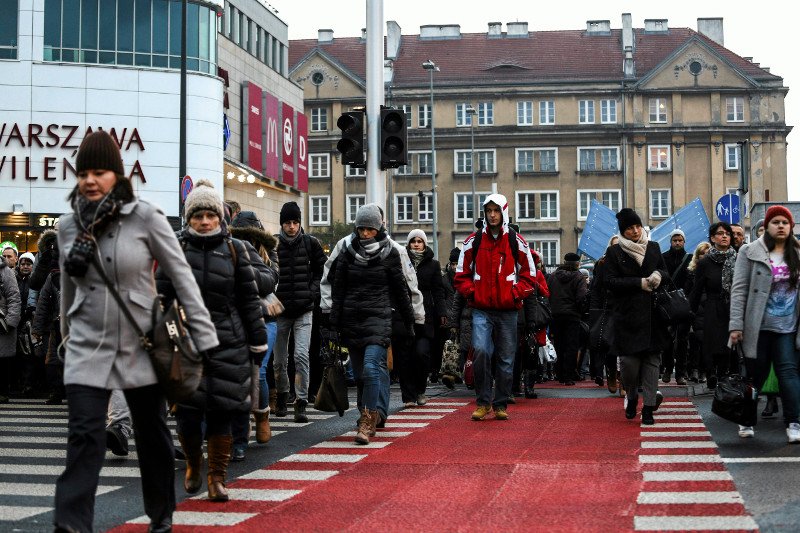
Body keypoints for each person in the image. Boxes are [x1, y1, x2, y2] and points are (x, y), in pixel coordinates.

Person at [54, 131, 219, 532]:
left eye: (99, 172)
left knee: (152, 436)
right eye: (83, 173)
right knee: (84, 439)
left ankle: (160, 517)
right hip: (87, 347)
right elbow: (67, 290)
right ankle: (71, 526)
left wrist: (205, 338)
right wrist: (64, 339)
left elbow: (182, 278)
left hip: (141, 344)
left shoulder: (145, 216)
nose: (89, 181)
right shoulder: (66, 226)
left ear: (117, 174)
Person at [157, 181, 266, 500]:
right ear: (188, 218)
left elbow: (248, 298)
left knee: (222, 413)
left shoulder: (237, 250)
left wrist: (257, 338)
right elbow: (162, 299)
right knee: (188, 416)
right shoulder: (174, 249)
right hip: (187, 343)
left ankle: (218, 478)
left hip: (227, 342)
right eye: (197, 216)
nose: (204, 221)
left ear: (220, 218)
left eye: (210, 215)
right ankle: (193, 461)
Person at [320, 205, 425, 427]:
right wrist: (331, 320)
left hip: (381, 318)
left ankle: (374, 415)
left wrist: (413, 319)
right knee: (361, 375)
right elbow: (334, 286)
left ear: (379, 226)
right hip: (352, 319)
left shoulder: (393, 251)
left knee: (373, 367)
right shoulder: (346, 249)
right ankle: (366, 412)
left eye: (370, 228)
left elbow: (406, 287)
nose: (365, 233)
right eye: (361, 228)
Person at [454, 193, 536, 421]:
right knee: (480, 351)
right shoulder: (473, 241)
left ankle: (500, 403)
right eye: (488, 211)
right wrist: (473, 293)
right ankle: (482, 402)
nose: (492, 215)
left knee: (507, 358)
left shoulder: (516, 241)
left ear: (504, 212)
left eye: (496, 211)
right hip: (481, 309)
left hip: (508, 310)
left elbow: (531, 275)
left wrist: (515, 293)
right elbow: (460, 275)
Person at [729, 205, 800, 442]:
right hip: (757, 327)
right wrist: (735, 325)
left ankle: (794, 423)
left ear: (791, 227)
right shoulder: (749, 252)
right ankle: (746, 420)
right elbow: (739, 291)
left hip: (788, 328)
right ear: (766, 226)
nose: (781, 226)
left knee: (789, 374)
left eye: (785, 223)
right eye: (776, 222)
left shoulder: (797, 254)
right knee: (755, 376)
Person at [604, 208, 669, 425]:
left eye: (638, 226)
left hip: (653, 316)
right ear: (622, 231)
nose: (635, 231)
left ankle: (649, 408)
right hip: (627, 317)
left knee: (652, 365)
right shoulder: (614, 253)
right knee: (630, 366)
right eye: (630, 228)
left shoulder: (653, 247)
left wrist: (659, 275)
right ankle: (631, 394)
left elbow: (665, 271)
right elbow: (610, 282)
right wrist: (638, 283)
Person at [229, 210, 279, 460]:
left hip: (264, 317)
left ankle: (261, 415)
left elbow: (271, 280)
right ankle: (238, 428)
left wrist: (245, 270)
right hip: (233, 318)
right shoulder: (227, 248)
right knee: (235, 374)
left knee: (257, 371)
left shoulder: (267, 253)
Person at [273, 201, 327, 422]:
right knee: (279, 360)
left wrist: (311, 292)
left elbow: (321, 270)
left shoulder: (310, 243)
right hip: (280, 309)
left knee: (301, 356)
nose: (292, 227)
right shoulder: (273, 245)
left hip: (304, 309)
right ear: (282, 223)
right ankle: (283, 394)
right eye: (288, 223)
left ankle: (301, 401)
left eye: (295, 222)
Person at [399, 230, 446, 406]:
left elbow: (438, 291)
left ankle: (420, 390)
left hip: (426, 315)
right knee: (404, 356)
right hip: (405, 315)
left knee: (421, 353)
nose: (416, 244)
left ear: (425, 244)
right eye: (413, 241)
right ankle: (407, 396)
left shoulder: (433, 265)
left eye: (420, 241)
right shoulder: (401, 262)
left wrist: (442, 312)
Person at [690, 222, 737, 390]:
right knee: (710, 343)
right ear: (712, 238)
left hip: (732, 306)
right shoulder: (705, 262)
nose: (724, 236)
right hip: (712, 305)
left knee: (727, 344)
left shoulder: (737, 258)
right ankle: (711, 373)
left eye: (727, 233)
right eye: (720, 233)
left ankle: (724, 375)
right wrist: (690, 314)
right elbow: (697, 290)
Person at [547, 252, 588, 385]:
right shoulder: (579, 277)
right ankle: (568, 375)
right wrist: (580, 311)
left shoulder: (553, 276)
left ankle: (559, 373)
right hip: (572, 316)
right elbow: (581, 297)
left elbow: (548, 294)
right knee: (572, 345)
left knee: (559, 344)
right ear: (577, 264)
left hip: (556, 315)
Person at [589, 235, 620, 394]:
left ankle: (625, 380)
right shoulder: (602, 264)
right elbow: (596, 288)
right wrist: (595, 310)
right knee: (609, 345)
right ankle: (612, 373)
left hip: (624, 308)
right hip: (607, 309)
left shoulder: (628, 262)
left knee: (625, 345)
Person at [661, 229, 690, 385]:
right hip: (667, 303)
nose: (677, 243)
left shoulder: (689, 258)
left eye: (680, 240)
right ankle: (667, 368)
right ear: (670, 241)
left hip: (684, 303)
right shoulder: (663, 258)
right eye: (675, 240)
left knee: (683, 340)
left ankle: (680, 373)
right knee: (667, 339)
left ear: (684, 241)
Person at [684, 242, 711, 383]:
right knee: (694, 341)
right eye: (702, 253)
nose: (704, 256)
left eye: (707, 253)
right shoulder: (691, 272)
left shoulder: (713, 270)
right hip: (695, 310)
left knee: (706, 342)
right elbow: (687, 292)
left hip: (708, 309)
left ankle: (703, 370)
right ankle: (694, 369)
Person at [0, 252, 22, 404]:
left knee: (1, 361)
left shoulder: (5, 271)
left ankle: (2, 392)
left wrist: (10, 322)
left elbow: (14, 297)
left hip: (1, 322)